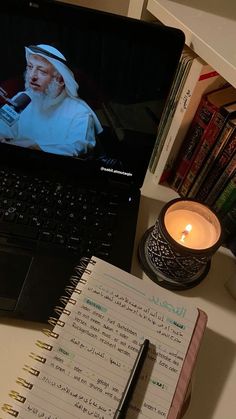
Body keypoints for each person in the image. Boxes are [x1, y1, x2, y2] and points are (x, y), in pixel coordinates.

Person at [0, 44, 103, 156]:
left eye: (42, 71)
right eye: (30, 67)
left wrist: (36, 147)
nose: (32, 76)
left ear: (60, 79)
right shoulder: (23, 98)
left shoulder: (80, 112)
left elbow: (78, 148)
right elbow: (3, 127)